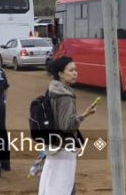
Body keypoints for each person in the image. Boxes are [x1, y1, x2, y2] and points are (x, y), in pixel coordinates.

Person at [38, 57, 97, 195]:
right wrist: (84, 116)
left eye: (75, 70)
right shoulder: (65, 96)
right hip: (64, 147)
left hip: (53, 144)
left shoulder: (52, 89)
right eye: (71, 70)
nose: (75, 73)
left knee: (51, 182)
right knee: (61, 185)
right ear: (60, 73)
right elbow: (67, 125)